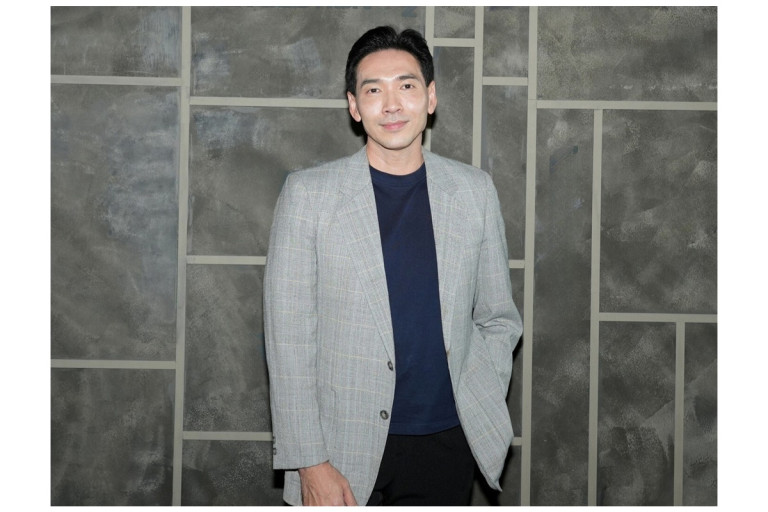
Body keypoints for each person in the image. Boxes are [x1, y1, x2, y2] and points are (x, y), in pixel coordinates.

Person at [264, 25, 522, 506]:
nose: (391, 104)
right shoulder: (308, 196)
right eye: (373, 90)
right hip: (339, 448)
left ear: (430, 97)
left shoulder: (474, 192)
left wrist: (479, 389)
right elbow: (288, 342)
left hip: (447, 441)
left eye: (406, 86)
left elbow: (498, 318)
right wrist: (309, 460)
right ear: (354, 106)